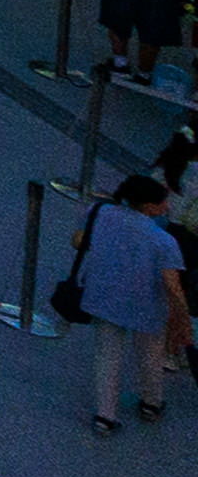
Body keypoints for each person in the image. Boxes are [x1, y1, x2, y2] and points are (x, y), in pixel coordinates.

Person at [81, 168, 191, 433]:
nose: (167, 206)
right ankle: (151, 403)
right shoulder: (163, 241)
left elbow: (82, 240)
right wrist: (182, 318)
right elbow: (172, 286)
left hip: (104, 297)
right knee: (150, 355)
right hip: (147, 306)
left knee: (106, 356)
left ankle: (105, 416)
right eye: (162, 202)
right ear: (149, 206)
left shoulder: (99, 212)